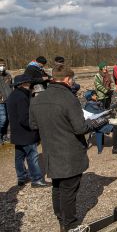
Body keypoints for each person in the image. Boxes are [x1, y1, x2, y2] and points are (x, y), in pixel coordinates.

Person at [29, 65, 106, 232]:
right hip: (69, 151)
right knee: (69, 189)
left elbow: (33, 125)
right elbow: (80, 128)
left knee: (57, 186)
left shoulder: (37, 99)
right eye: (72, 79)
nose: (73, 82)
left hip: (50, 150)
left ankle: (60, 217)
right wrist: (95, 123)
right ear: (66, 79)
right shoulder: (69, 98)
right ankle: (70, 225)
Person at [6, 74, 48, 187]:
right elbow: (24, 118)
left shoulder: (13, 95)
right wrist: (35, 127)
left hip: (17, 132)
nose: (31, 85)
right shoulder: (22, 97)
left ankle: (21, 177)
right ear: (24, 84)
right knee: (32, 156)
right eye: (29, 83)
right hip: (26, 132)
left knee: (19, 157)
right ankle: (36, 179)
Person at [0, 58, 13, 144]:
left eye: (3, 65)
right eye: (1, 65)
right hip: (0, 102)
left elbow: (11, 86)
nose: (2, 67)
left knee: (9, 118)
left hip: (9, 99)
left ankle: (7, 136)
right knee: (3, 119)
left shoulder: (8, 75)